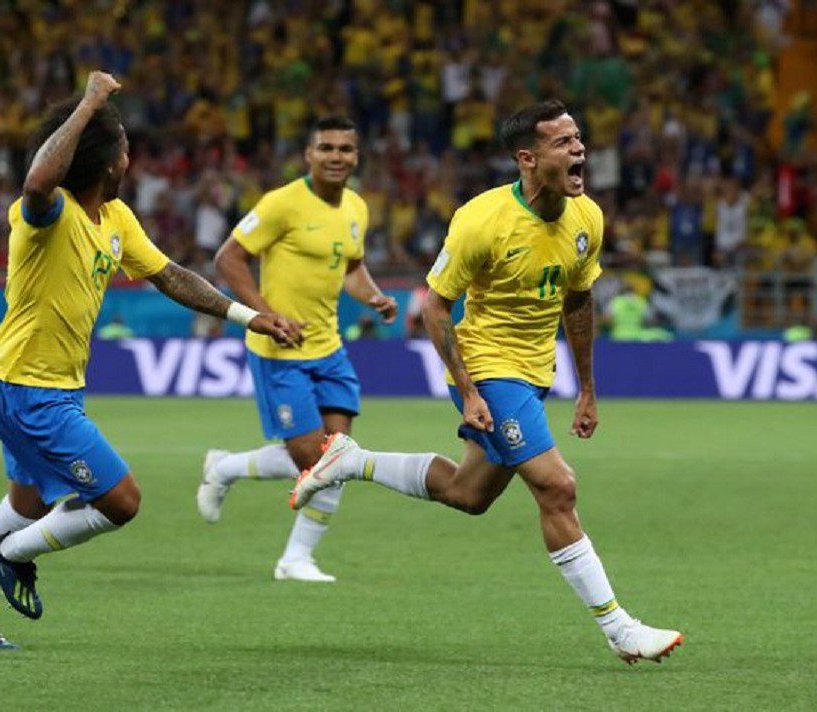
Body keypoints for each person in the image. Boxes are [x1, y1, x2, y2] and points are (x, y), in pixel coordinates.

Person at [290, 101, 683, 664]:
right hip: (487, 367)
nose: (579, 149)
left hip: (534, 372)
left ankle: (352, 461)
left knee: (467, 494)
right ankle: (619, 628)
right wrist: (470, 390)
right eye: (562, 142)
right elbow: (435, 307)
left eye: (578, 138)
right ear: (527, 158)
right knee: (557, 487)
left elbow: (578, 300)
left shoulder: (587, 218)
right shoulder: (482, 220)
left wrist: (587, 388)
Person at [0, 72, 298, 649]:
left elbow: (171, 276)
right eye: (124, 145)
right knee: (120, 501)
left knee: (27, 502)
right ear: (107, 161)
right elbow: (36, 180)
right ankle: (11, 553)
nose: (129, 154)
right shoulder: (47, 213)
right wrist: (87, 105)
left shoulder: (116, 218)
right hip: (29, 389)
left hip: (30, 383)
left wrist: (247, 316)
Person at [196, 117, 398, 583]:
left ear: (356, 156)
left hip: (329, 346)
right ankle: (227, 469)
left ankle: (294, 558)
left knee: (337, 459)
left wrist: (373, 296)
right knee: (315, 459)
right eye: (326, 147)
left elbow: (351, 267)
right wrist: (265, 315)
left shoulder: (356, 207)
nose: (336, 156)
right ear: (309, 154)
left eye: (345, 149)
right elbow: (228, 258)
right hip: (279, 351)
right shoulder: (281, 203)